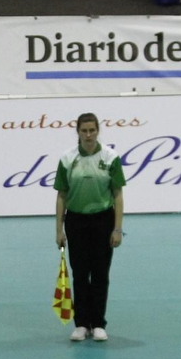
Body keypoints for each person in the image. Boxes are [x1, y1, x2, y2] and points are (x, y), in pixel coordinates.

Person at [55, 113, 126, 343]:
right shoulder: (67, 159)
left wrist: (117, 228)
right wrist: (59, 229)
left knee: (100, 274)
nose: (88, 135)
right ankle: (82, 324)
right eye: (84, 131)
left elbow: (118, 194)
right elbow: (61, 195)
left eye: (92, 130)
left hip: (102, 221)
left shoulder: (110, 157)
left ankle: (98, 324)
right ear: (77, 131)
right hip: (75, 222)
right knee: (79, 274)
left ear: (98, 131)